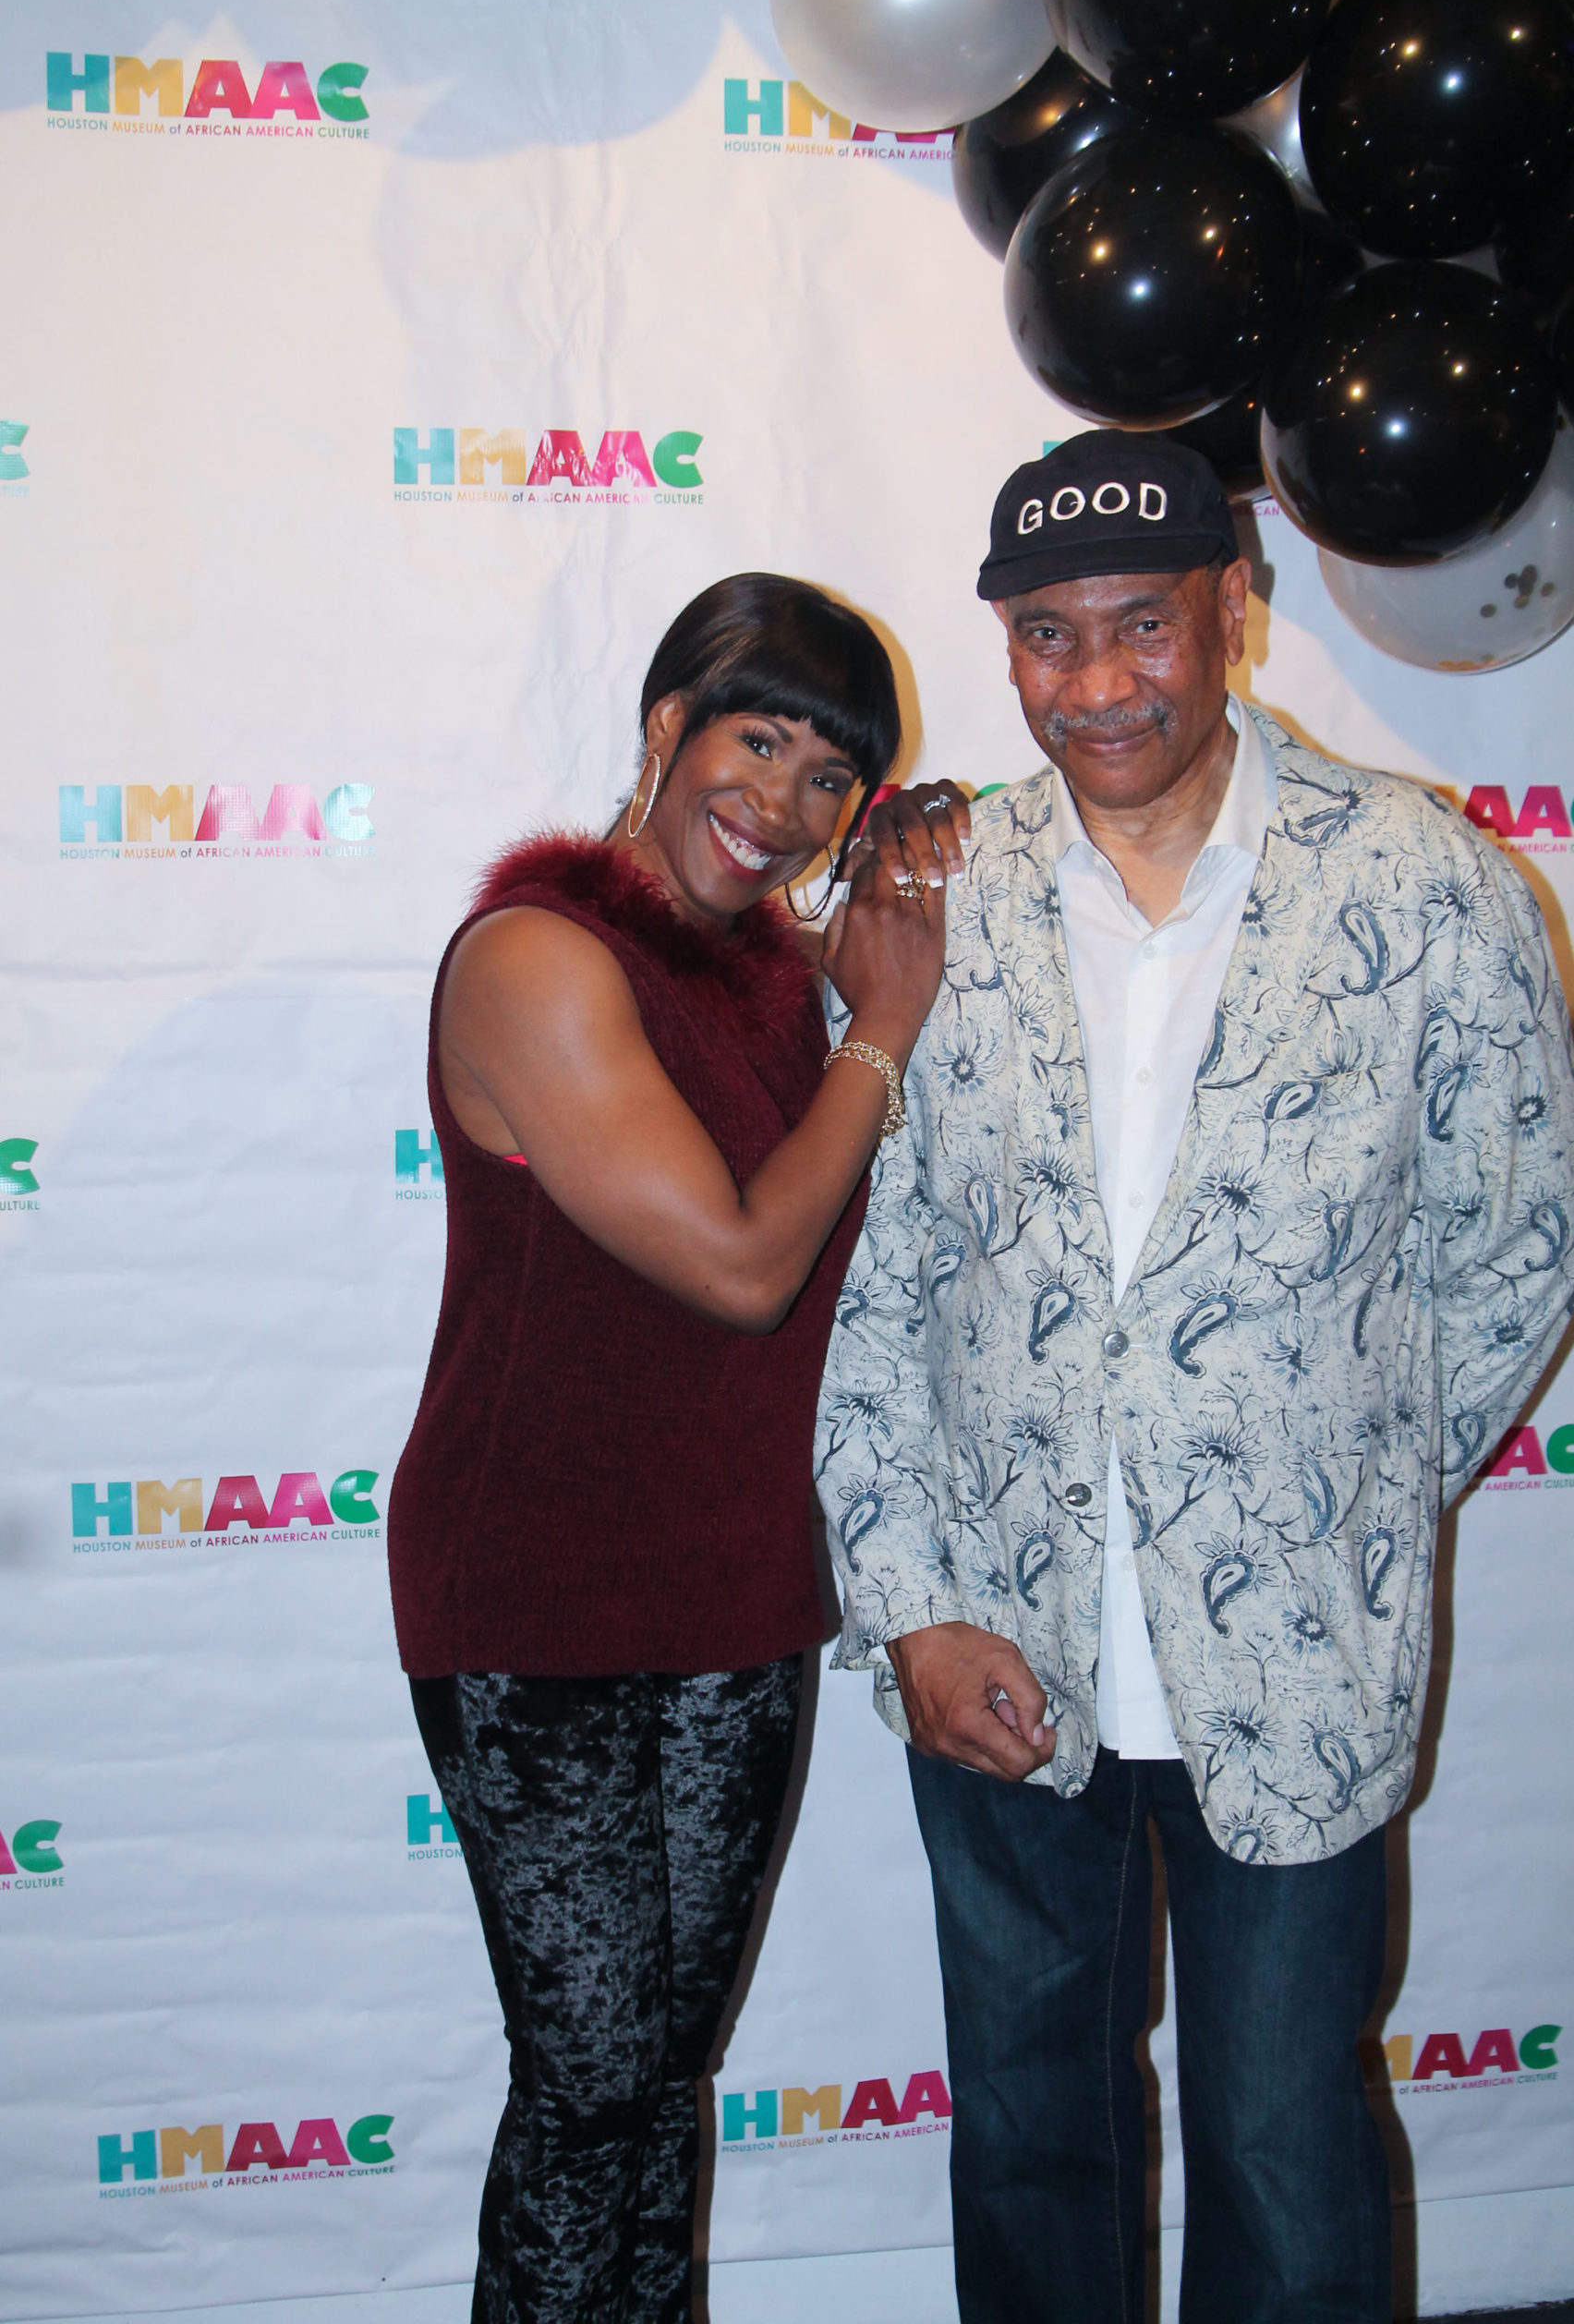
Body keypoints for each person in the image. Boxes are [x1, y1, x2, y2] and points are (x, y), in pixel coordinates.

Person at [817, 432, 1574, 2324]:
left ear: (1232, 609)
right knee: (1029, 2141)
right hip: (999, 1644)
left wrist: (1339, 1480)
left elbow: (1518, 1242)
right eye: (1047, 636)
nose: (1095, 684)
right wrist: (909, 1602)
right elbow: (870, 1280)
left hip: (1297, 1659)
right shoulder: (936, 902)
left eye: (1141, 625)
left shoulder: (1424, 882)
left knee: (1285, 2150)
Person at [386, 572, 946, 2324]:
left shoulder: (772, 972)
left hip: (733, 1589)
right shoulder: (539, 957)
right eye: (756, 741)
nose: (781, 804)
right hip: (538, 1597)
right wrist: (883, 1030)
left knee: (656, 2086)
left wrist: (896, 907)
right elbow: (741, 1265)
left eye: (828, 776)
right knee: (588, 2092)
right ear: (663, 727)